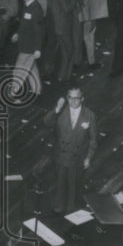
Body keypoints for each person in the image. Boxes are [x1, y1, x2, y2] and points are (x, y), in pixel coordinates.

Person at [47, 87, 98, 215]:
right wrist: (56, 110)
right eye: (70, 98)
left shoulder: (89, 115)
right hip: (61, 155)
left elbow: (93, 139)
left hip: (78, 156)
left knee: (74, 183)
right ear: (67, 98)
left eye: (77, 98)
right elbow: (47, 122)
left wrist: (88, 157)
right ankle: (59, 205)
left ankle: (71, 207)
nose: (73, 101)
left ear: (82, 99)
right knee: (60, 181)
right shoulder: (60, 112)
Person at [70, 0, 112, 71]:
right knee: (89, 36)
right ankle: (91, 61)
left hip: (79, 10)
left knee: (77, 36)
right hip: (94, 11)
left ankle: (76, 61)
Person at [12, 0, 45, 96]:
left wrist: (37, 49)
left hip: (29, 46)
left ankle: (13, 91)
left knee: (20, 68)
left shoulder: (36, 10)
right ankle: (37, 89)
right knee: (31, 68)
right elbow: (24, 23)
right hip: (25, 43)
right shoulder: (28, 5)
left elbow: (38, 31)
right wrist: (17, 33)